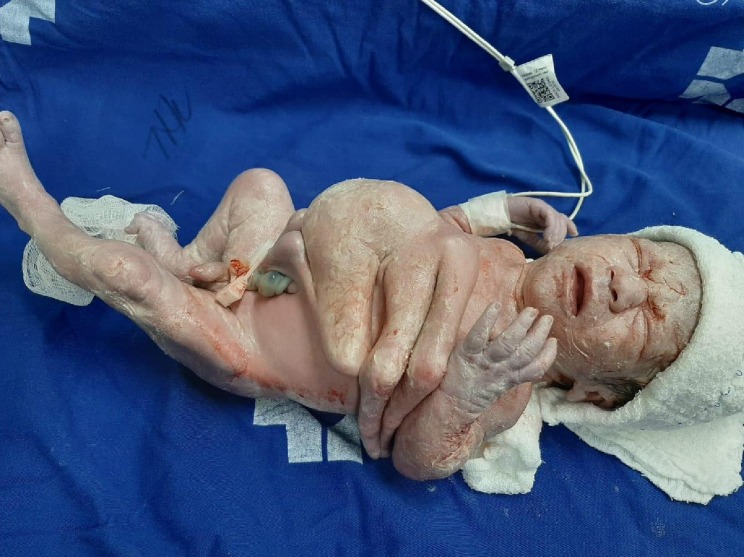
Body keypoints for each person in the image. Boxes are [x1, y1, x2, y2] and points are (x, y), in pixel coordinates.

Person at [0, 111, 703, 481]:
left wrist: (466, 389)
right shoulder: (506, 253)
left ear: (593, 393)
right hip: (268, 267)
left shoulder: (507, 387)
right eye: (641, 258)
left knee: (131, 281)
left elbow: (419, 459)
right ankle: (189, 259)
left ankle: (32, 206)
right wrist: (506, 210)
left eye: (647, 320)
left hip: (246, 345)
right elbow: (441, 230)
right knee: (261, 186)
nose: (625, 284)